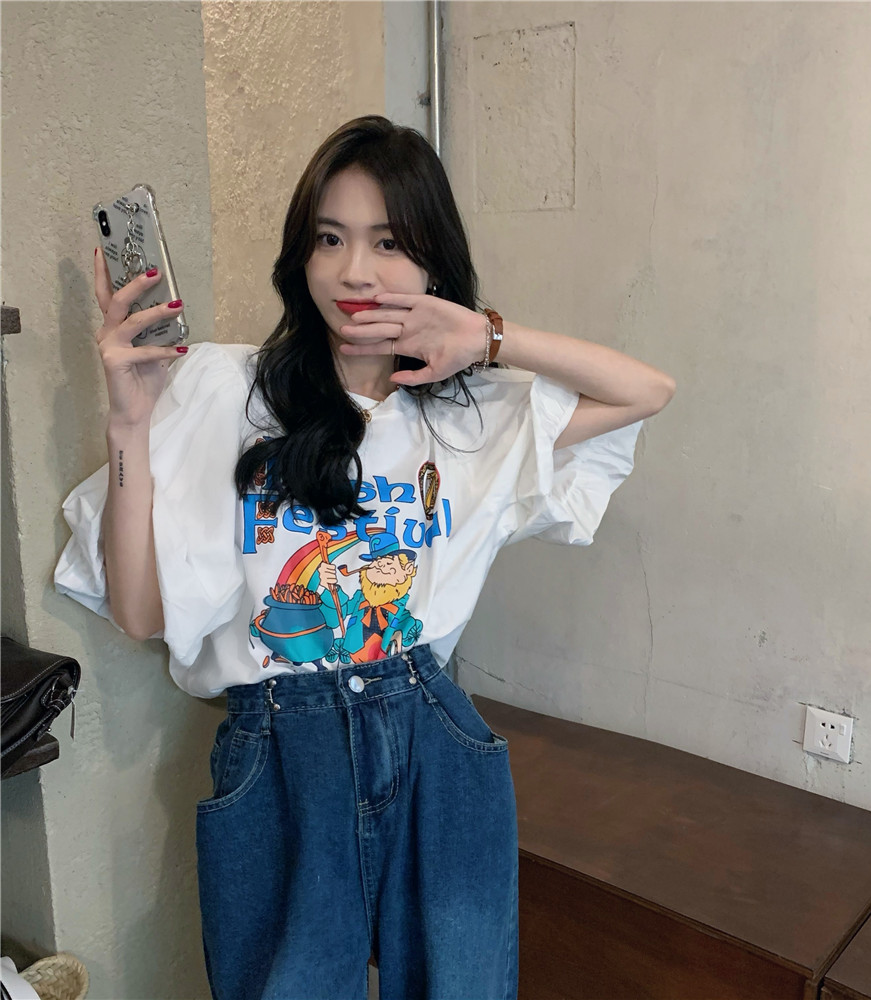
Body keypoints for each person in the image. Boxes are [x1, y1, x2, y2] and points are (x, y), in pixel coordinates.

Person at [55, 115, 675, 1000]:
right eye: (330, 239)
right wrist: (130, 423)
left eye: (388, 242)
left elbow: (646, 390)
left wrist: (488, 338)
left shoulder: (469, 418)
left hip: (429, 736)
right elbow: (139, 613)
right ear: (300, 257)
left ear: (433, 263)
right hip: (279, 751)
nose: (355, 271)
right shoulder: (227, 391)